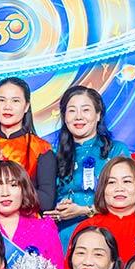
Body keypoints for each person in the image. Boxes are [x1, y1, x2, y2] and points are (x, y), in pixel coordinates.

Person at [36, 85, 128, 243]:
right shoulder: (51, 154)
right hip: (62, 235)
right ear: (64, 116)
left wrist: (84, 210)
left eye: (85, 110)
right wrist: (58, 209)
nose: (78, 117)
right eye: (72, 111)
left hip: (105, 234)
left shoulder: (116, 151)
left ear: (98, 115)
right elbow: (44, 197)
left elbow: (129, 199)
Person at [72, 154, 135, 266]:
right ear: (102, 189)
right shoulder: (86, 228)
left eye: (127, 181)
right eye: (111, 182)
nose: (119, 188)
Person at [0, 76, 51, 177]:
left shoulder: (41, 148)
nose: (7, 107)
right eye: (2, 100)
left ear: (26, 106)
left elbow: (46, 187)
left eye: (15, 101)